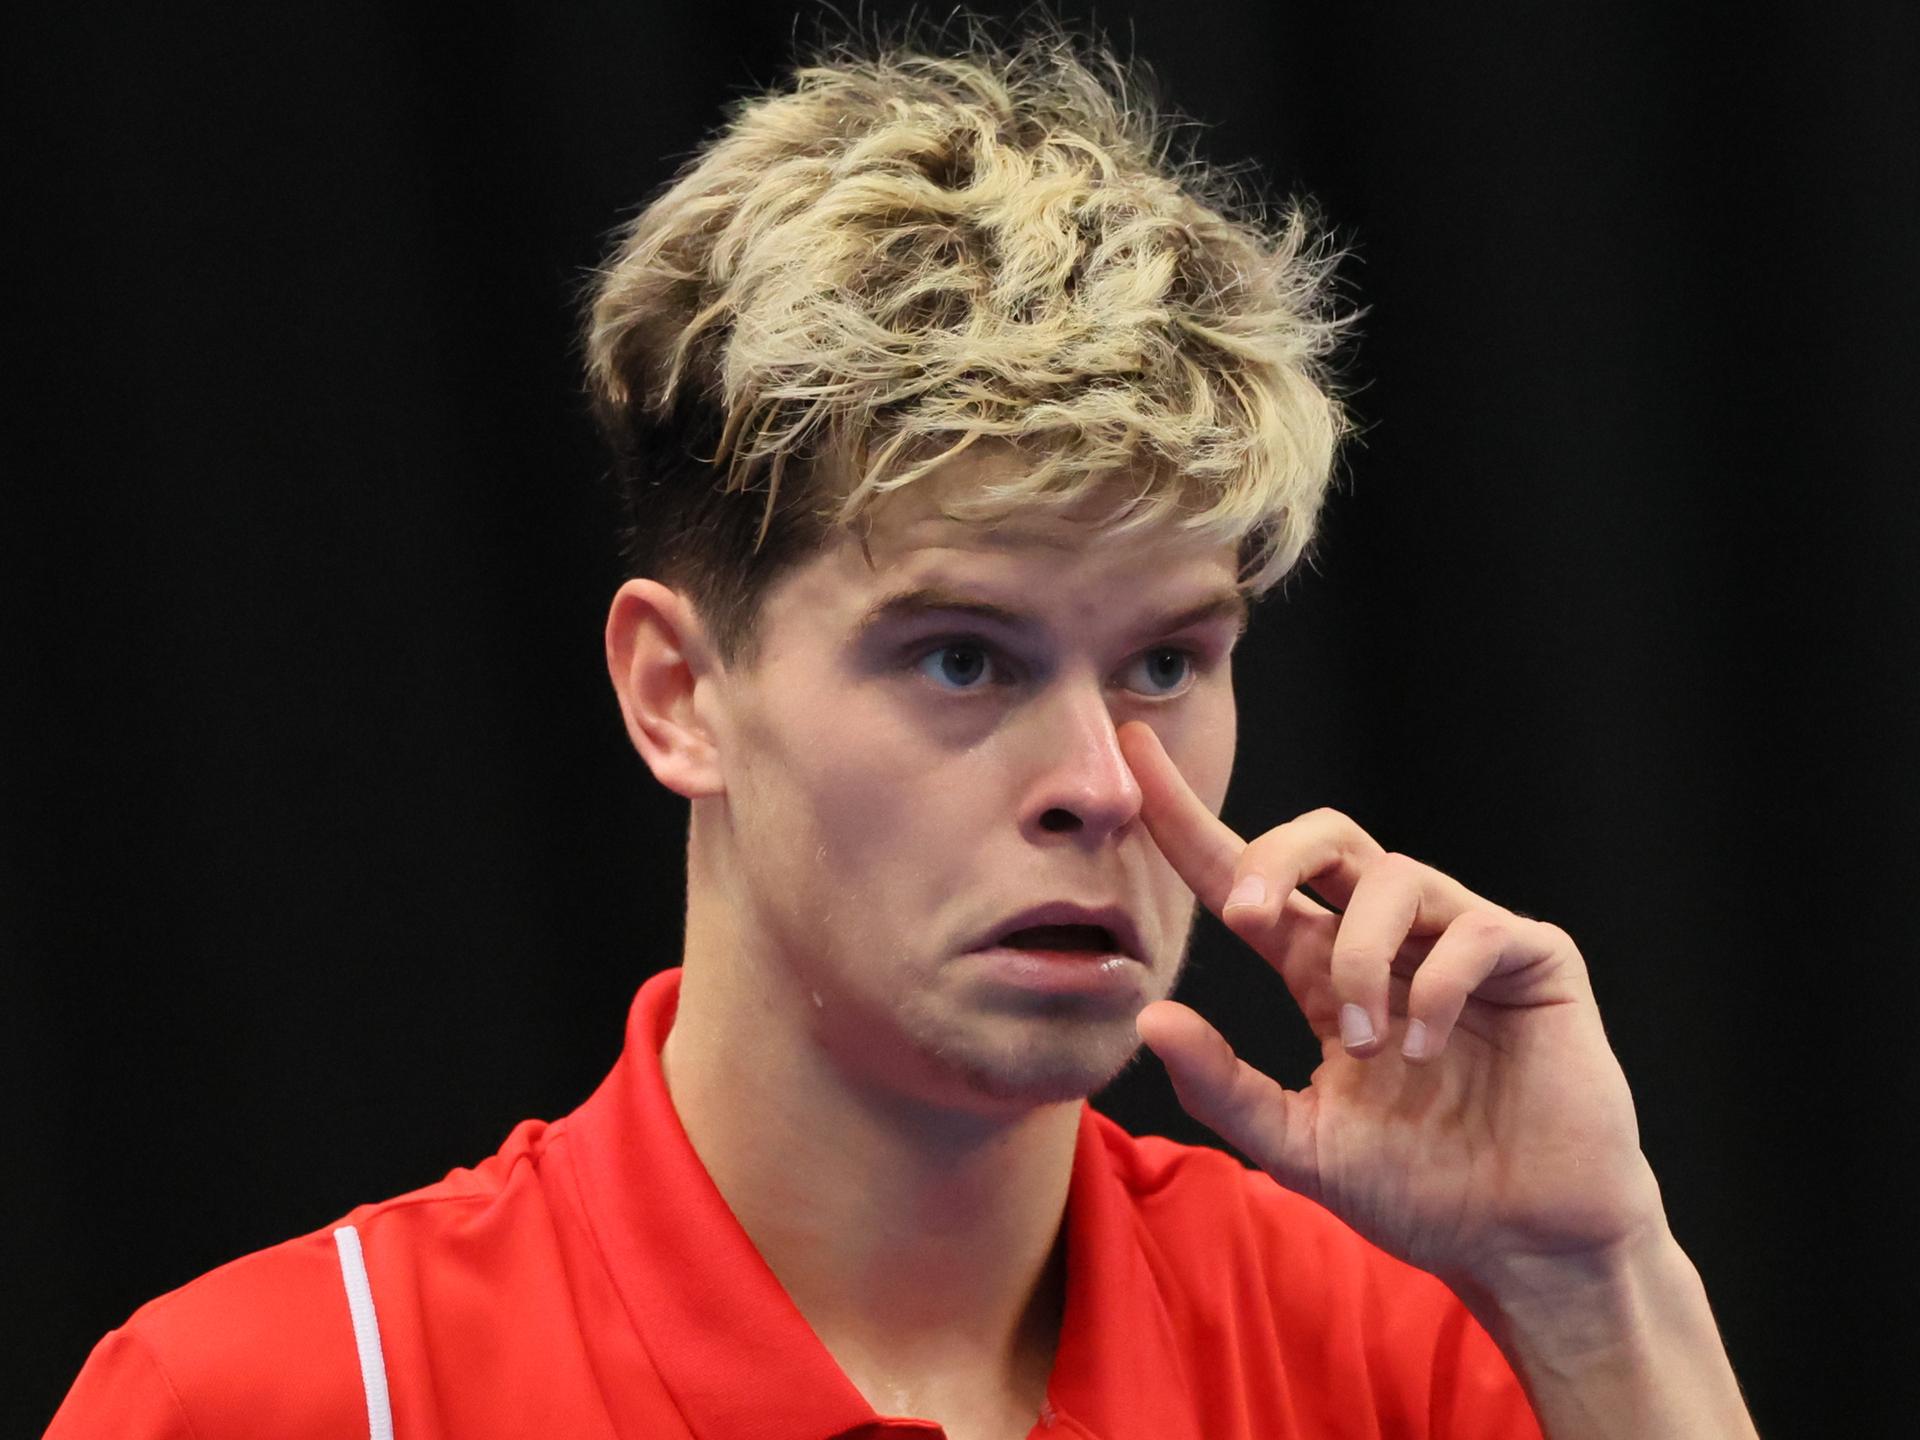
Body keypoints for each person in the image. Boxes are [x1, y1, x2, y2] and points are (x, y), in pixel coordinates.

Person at [47, 21, 1758, 1440]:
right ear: (677, 692)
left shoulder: (1396, 1361)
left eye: (1167, 663)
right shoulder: (281, 1393)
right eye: (961, 660)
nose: (1101, 785)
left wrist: (1590, 1282)